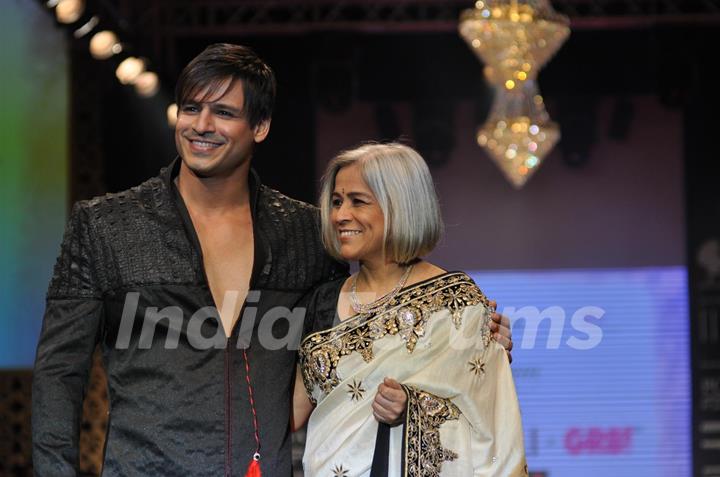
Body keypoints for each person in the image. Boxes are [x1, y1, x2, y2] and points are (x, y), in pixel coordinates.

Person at [32, 44, 513, 476]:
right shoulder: (106, 225)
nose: (201, 125)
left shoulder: (308, 232)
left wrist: (471, 341)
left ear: (259, 127)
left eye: (223, 112)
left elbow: (360, 333)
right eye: (192, 108)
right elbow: (58, 373)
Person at [294, 143, 527, 476]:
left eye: (357, 201)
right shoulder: (321, 301)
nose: (339, 215)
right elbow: (290, 414)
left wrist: (413, 408)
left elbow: (489, 424)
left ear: (400, 206)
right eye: (336, 202)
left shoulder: (455, 302)